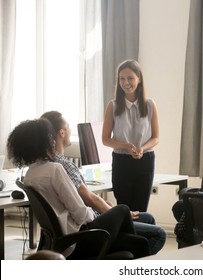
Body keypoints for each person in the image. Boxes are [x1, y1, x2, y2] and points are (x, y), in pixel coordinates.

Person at [7, 118, 150, 259]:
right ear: (43, 142)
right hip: (80, 239)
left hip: (62, 241)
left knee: (138, 242)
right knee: (123, 209)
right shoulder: (54, 169)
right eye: (50, 137)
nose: (53, 141)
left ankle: (123, 243)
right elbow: (81, 213)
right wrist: (96, 215)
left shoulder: (30, 175)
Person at [41, 111, 166, 255]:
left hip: (77, 227)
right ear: (61, 133)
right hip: (92, 227)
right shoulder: (65, 165)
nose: (70, 130)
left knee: (146, 218)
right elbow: (89, 199)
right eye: (68, 126)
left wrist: (111, 209)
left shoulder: (47, 163)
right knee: (158, 233)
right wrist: (116, 214)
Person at [102, 59, 159, 212]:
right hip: (122, 162)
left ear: (139, 79)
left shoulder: (149, 105)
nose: (126, 82)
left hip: (145, 161)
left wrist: (142, 148)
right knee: (124, 210)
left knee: (141, 210)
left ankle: (140, 236)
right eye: (122, 78)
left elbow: (156, 137)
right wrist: (126, 146)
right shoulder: (113, 106)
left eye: (130, 78)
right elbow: (105, 139)